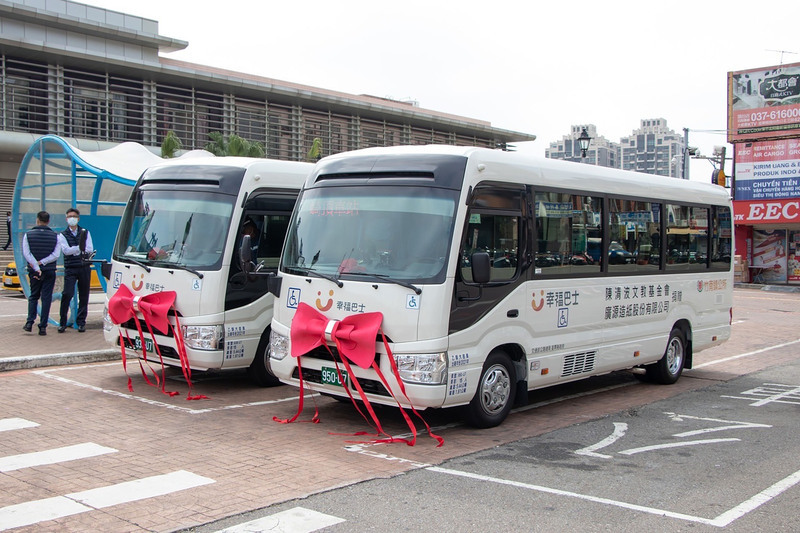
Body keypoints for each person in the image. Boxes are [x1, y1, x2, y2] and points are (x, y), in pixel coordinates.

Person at [22, 211, 59, 335]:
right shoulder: (55, 236)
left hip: (34, 272)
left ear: (37, 220)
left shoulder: (28, 235)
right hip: (49, 270)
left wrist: (36, 265)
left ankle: (29, 322)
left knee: (33, 296)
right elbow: (56, 255)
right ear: (48, 221)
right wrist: (42, 262)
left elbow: (26, 253)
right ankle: (43, 326)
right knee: (46, 298)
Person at [57, 208, 94, 333]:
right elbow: (66, 250)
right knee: (67, 294)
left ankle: (81, 322)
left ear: (78, 218)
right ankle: (62, 322)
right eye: (69, 216)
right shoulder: (62, 234)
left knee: (84, 295)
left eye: (74, 216)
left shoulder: (85, 232)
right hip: (70, 268)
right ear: (66, 218)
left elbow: (89, 249)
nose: (71, 218)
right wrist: (79, 248)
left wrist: (76, 250)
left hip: (84, 266)